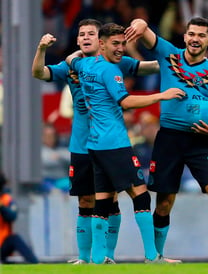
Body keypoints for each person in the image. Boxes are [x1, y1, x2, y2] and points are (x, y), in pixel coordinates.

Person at [32, 19, 161, 264]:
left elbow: (149, 68)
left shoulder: (115, 60)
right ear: (78, 40)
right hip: (81, 145)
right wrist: (41, 49)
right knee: (86, 200)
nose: (86, 37)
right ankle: (85, 258)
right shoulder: (70, 66)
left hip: (109, 142)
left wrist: (181, 61)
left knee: (110, 199)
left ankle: (107, 257)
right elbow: (39, 73)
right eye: (82, 34)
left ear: (99, 40)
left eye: (91, 33)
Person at [124, 17, 208, 264]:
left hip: (201, 141)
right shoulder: (169, 55)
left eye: (201, 35)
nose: (195, 39)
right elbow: (146, 32)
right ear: (185, 36)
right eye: (191, 34)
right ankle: (156, 257)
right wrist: (140, 23)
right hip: (169, 139)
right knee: (165, 202)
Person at [0, 172, 39, 264]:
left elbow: (12, 217)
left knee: (14, 239)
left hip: (2, 242)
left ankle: (35, 263)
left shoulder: (6, 199)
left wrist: (1, 207)